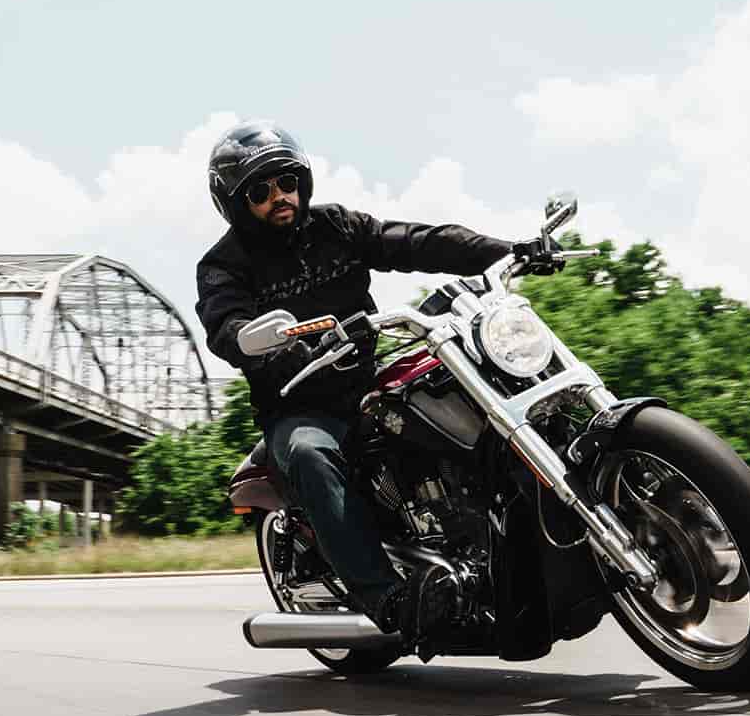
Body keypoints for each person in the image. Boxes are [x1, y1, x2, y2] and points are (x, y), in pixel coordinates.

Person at [194, 120, 555, 655]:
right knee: (310, 454)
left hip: (368, 382)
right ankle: (390, 599)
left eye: (287, 182)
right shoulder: (223, 265)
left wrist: (505, 251)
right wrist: (259, 343)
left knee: (468, 391)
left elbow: (412, 242)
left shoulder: (335, 226)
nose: (279, 197)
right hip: (300, 405)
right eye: (260, 191)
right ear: (235, 202)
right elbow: (224, 323)